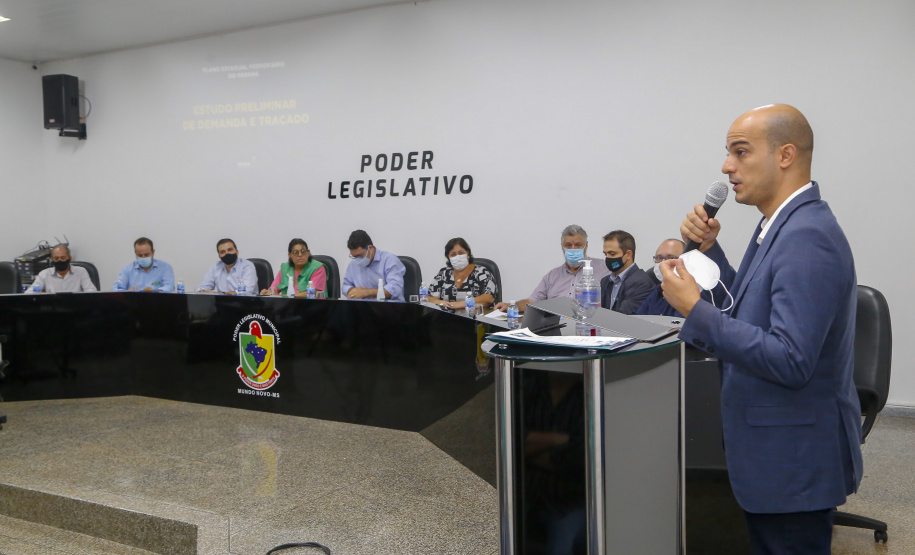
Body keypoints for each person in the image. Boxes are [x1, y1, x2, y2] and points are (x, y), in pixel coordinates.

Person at [660, 104, 862, 554]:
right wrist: (710, 254)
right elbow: (747, 306)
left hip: (792, 463)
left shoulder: (807, 235)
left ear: (785, 155)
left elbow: (790, 359)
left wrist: (694, 310)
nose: (726, 166)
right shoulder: (775, 225)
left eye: (740, 151)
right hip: (773, 453)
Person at [494, 225, 610, 312]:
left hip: (587, 328)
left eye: (578, 245)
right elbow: (531, 301)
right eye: (568, 245)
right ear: (562, 247)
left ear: (586, 245)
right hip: (556, 330)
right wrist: (511, 306)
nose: (573, 249)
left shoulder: (603, 268)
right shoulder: (552, 276)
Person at [427, 237, 498, 310]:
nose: (457, 257)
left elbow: (489, 298)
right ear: (448, 257)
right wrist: (441, 303)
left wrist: (459, 304)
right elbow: (428, 297)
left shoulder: (481, 272)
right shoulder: (444, 273)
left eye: (461, 253)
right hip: (447, 318)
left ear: (468, 253)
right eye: (453, 254)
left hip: (476, 317)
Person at [599, 230, 654, 314]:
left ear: (628, 254)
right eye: (605, 254)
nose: (608, 258)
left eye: (612, 254)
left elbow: (625, 317)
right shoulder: (605, 281)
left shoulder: (641, 282)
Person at [342, 230, 406, 301]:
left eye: (360, 255)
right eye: (355, 256)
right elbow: (345, 286)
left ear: (370, 248)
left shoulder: (390, 260)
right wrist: (353, 290)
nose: (358, 259)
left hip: (388, 308)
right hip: (361, 309)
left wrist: (366, 292)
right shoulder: (353, 264)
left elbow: (395, 289)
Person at [261, 238, 327, 298]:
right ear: (290, 255)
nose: (300, 255)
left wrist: (285, 296)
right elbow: (274, 289)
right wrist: (267, 293)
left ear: (308, 253)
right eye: (295, 252)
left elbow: (314, 292)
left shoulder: (317, 267)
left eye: (303, 251)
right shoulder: (285, 268)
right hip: (288, 307)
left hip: (312, 307)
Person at [28, 244, 97, 293]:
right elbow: (30, 293)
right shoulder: (44, 274)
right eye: (56, 258)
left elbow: (91, 291)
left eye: (63, 258)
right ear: (52, 259)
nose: (59, 261)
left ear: (70, 258)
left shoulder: (81, 272)